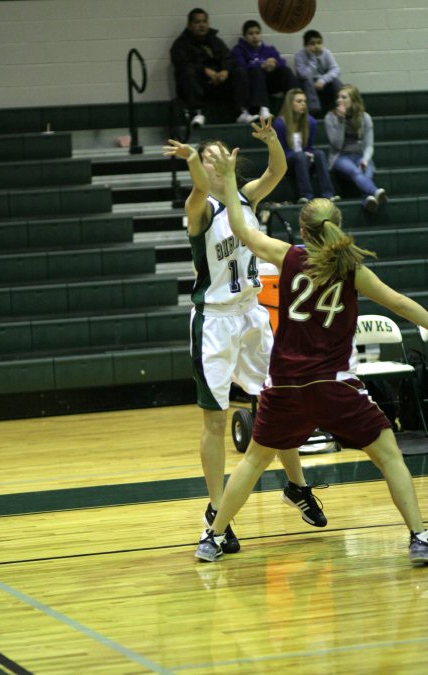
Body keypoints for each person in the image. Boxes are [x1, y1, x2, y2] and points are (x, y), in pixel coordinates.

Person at [193, 146, 428, 566]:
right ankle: (419, 537)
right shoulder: (353, 268)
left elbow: (244, 234)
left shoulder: (289, 257)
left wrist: (228, 180)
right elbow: (399, 303)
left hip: (285, 385)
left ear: (302, 231)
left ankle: (211, 538)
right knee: (389, 455)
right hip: (334, 385)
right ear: (337, 227)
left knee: (253, 462)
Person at [163, 117, 328, 554]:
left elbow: (277, 172)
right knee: (215, 421)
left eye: (220, 155)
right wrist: (193, 161)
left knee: (280, 403)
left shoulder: (245, 197)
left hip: (252, 315)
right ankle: (217, 513)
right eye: (209, 158)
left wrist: (273, 140)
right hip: (214, 321)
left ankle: (296, 486)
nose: (217, 162)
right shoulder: (198, 207)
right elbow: (198, 185)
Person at [170, 8, 259, 128]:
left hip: (219, 83)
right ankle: (197, 112)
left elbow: (228, 58)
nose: (202, 25)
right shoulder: (180, 44)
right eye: (197, 22)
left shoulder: (215, 40)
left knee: (239, 71)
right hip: (198, 84)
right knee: (188, 72)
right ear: (190, 25)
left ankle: (241, 111)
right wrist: (204, 70)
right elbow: (182, 64)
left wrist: (225, 71)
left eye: (204, 21)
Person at [325, 84, 387, 213]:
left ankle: (368, 200)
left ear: (353, 100)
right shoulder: (330, 118)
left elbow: (369, 145)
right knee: (355, 172)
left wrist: (365, 160)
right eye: (338, 97)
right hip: (340, 157)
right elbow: (336, 144)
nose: (339, 100)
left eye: (343, 97)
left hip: (360, 155)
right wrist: (341, 121)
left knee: (367, 173)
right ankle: (375, 191)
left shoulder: (365, 118)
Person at [273, 88, 340, 204]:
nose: (303, 104)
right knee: (300, 156)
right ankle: (306, 196)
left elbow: (309, 147)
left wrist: (308, 154)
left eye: (304, 101)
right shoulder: (280, 124)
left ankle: (328, 194)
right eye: (299, 101)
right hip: (286, 162)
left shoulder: (311, 122)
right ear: (290, 104)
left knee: (319, 154)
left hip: (303, 160)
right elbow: (281, 152)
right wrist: (302, 155)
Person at [232, 20, 298, 120]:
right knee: (257, 71)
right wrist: (261, 65)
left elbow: (282, 62)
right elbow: (241, 66)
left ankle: (295, 103)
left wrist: (275, 64)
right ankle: (263, 108)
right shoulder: (238, 49)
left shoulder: (269, 49)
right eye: (250, 33)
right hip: (251, 85)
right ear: (244, 36)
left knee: (285, 70)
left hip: (269, 83)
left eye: (257, 33)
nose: (254, 36)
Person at [294, 30, 343, 117]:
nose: (316, 46)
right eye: (312, 44)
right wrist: (313, 59)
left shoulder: (326, 53)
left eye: (319, 43)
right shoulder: (299, 55)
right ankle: (314, 110)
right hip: (306, 83)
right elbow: (303, 75)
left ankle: (342, 106)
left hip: (322, 81)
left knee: (336, 81)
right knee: (307, 80)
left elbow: (336, 69)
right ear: (305, 46)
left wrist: (323, 80)